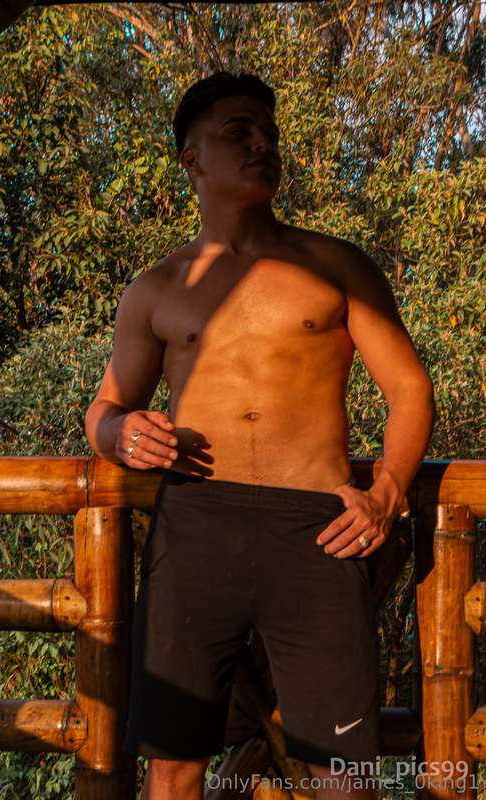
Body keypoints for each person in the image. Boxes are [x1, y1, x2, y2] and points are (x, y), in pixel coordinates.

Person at [85, 71, 435, 800]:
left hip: (317, 529)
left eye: (269, 134)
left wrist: (386, 493)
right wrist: (120, 433)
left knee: (345, 775)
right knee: (173, 765)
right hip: (195, 524)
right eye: (238, 132)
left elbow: (408, 388)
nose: (262, 145)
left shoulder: (335, 265)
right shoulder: (157, 287)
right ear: (192, 159)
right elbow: (106, 407)